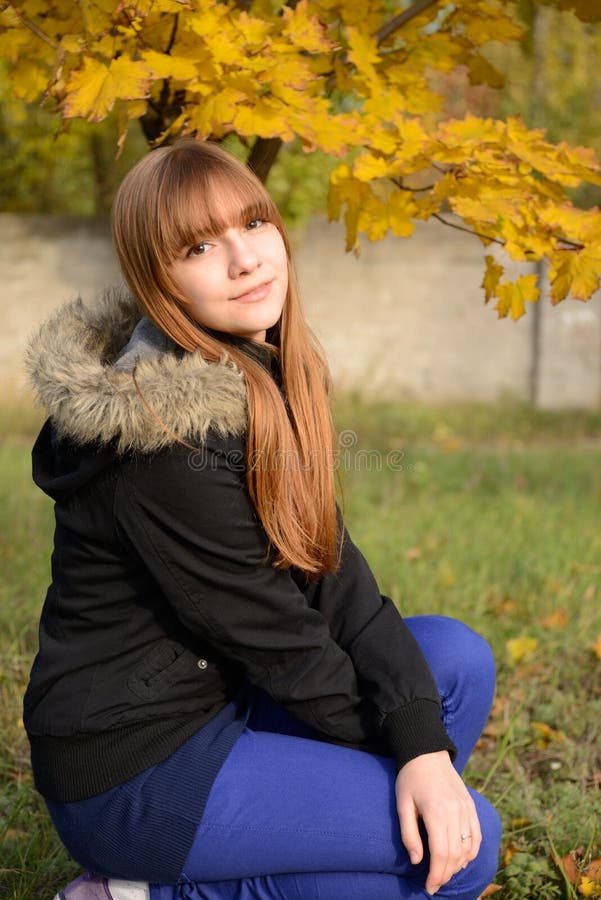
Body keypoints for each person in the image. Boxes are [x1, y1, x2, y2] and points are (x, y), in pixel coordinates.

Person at [24, 138, 501, 900]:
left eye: (253, 223)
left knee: (454, 660)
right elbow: (281, 642)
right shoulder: (163, 446)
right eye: (200, 246)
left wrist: (422, 751)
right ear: (161, 284)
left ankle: (346, 843)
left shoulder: (255, 371)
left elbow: (333, 575)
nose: (244, 259)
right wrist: (415, 762)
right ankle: (141, 892)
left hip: (222, 696)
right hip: (136, 769)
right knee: (467, 851)